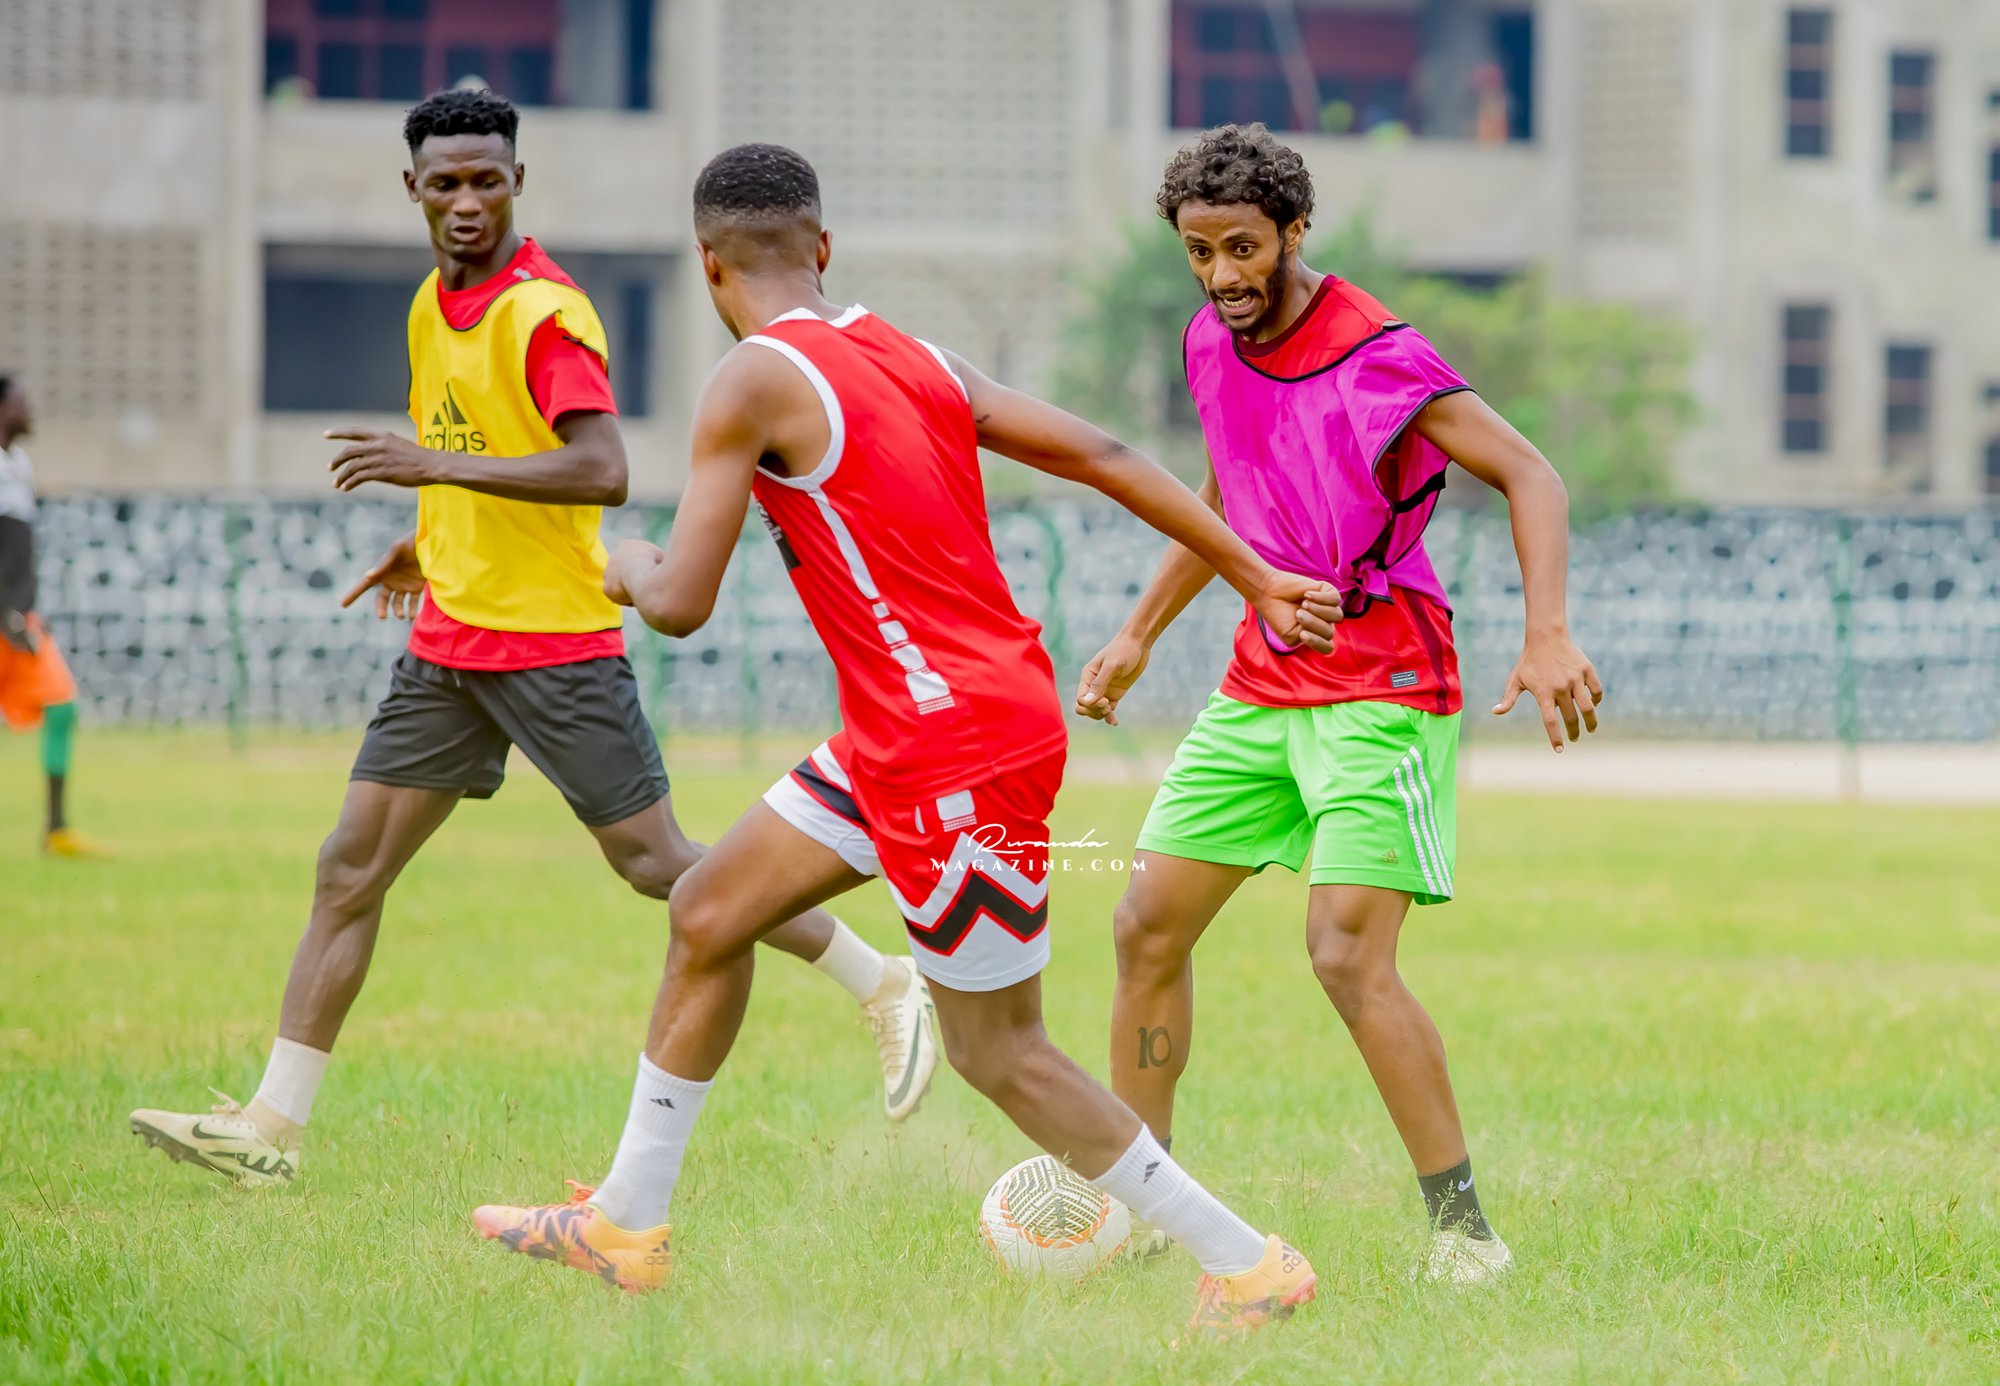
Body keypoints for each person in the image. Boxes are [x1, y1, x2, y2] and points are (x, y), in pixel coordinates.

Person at [472, 143, 1338, 1333]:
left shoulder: (748, 381)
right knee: (710, 910)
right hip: (922, 726)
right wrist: (1256, 576)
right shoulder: (915, 353)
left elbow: (678, 601)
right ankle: (626, 1222)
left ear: (706, 265)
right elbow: (1105, 455)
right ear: (822, 250)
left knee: (1000, 1051)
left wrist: (621, 563)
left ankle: (1247, 1265)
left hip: (946, 749)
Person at [128, 92, 937, 1187]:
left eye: (487, 180)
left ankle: (880, 980)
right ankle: (271, 1129)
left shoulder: (547, 313)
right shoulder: (431, 304)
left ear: (518, 182)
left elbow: (601, 469)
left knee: (658, 866)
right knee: (348, 867)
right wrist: (430, 541)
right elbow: (475, 443)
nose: (467, 201)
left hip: (554, 644)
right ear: (411, 189)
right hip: (450, 640)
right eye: (445, 183)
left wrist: (431, 469)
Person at [1075, 124, 1604, 1283]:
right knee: (1143, 925)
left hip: (1384, 687)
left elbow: (1530, 472)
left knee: (1343, 956)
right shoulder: (1209, 341)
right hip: (1260, 680)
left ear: (1294, 230)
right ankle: (1142, 1208)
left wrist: (1546, 631)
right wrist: (1136, 631)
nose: (1221, 276)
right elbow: (1228, 489)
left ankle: (1463, 1237)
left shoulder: (1378, 354)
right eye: (1199, 253)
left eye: (1243, 248)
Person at [0, 374, 104, 858]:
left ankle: (56, 830)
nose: (31, 411)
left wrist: (19, 613)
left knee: (61, 704)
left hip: (20, 620)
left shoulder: (18, 465)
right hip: (6, 618)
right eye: (22, 402)